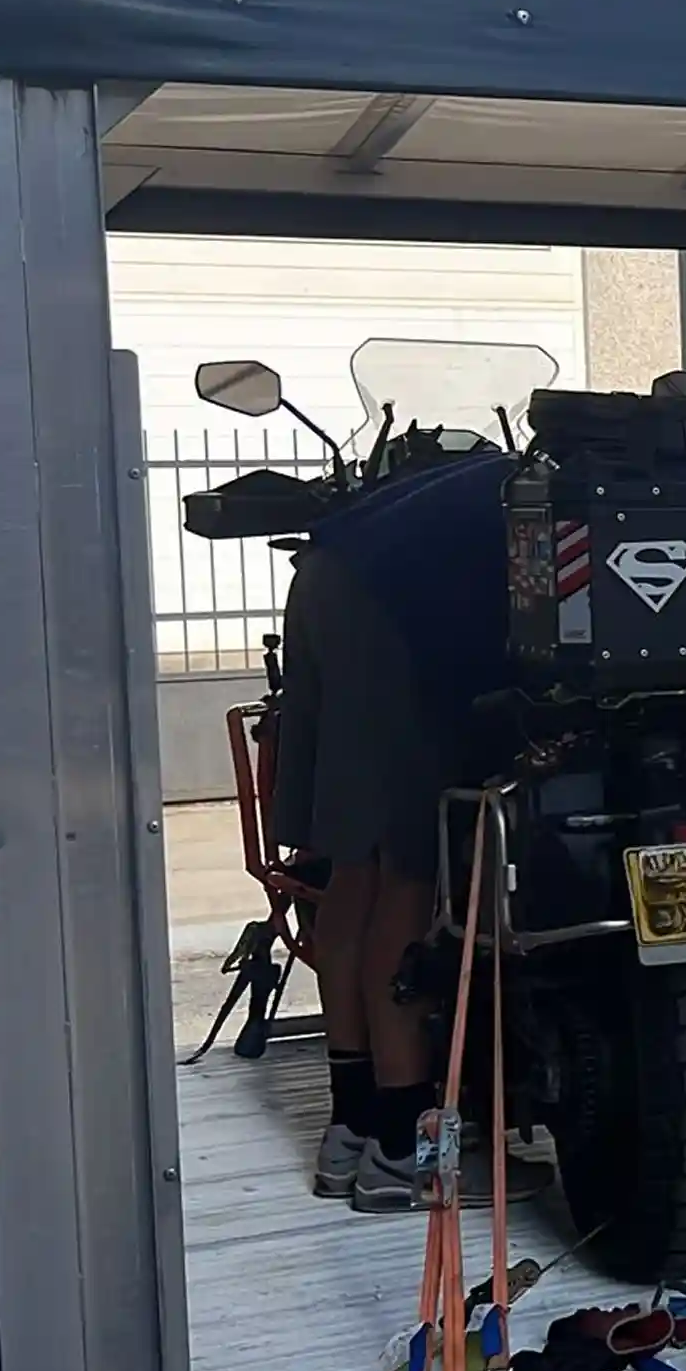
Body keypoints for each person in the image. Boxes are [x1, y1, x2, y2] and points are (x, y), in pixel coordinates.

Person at [280, 445, 543, 1211]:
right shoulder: (600, 488)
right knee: (412, 866)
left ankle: (354, 1125)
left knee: (357, 866)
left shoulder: (504, 472)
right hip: (393, 610)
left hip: (329, 577)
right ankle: (406, 1149)